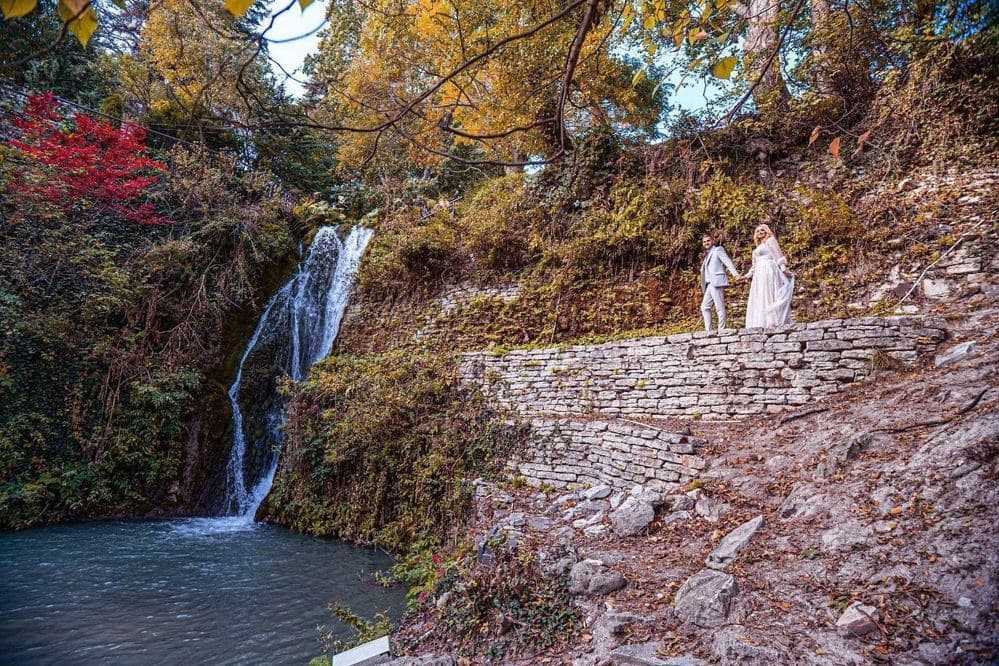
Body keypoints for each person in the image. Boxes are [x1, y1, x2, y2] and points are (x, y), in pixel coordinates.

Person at [737, 223, 794, 328]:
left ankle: (771, 320)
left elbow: (778, 255)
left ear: (767, 231)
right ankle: (761, 322)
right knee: (760, 293)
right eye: (758, 231)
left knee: (768, 291)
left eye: (762, 230)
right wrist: (746, 276)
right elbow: (754, 266)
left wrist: (784, 269)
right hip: (758, 273)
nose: (760, 232)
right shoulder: (757, 247)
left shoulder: (770, 240)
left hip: (768, 269)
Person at [699, 234, 741, 331]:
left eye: (708, 240)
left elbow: (727, 262)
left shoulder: (718, 250)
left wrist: (735, 274)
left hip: (716, 282)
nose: (706, 243)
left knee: (719, 307)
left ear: (712, 241)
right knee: (704, 307)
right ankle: (708, 331)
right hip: (709, 284)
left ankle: (721, 329)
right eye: (704, 242)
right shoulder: (707, 255)